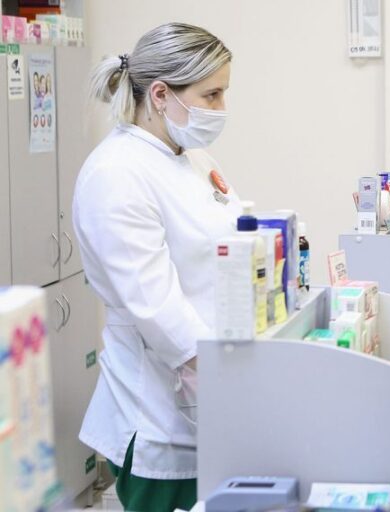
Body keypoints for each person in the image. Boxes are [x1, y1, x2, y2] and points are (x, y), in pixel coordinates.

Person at [74, 23, 236, 511]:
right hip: (159, 417)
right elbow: (159, 310)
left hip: (208, 399)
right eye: (211, 94)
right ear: (161, 95)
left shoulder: (189, 157)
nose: (221, 108)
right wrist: (238, 392)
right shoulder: (116, 173)